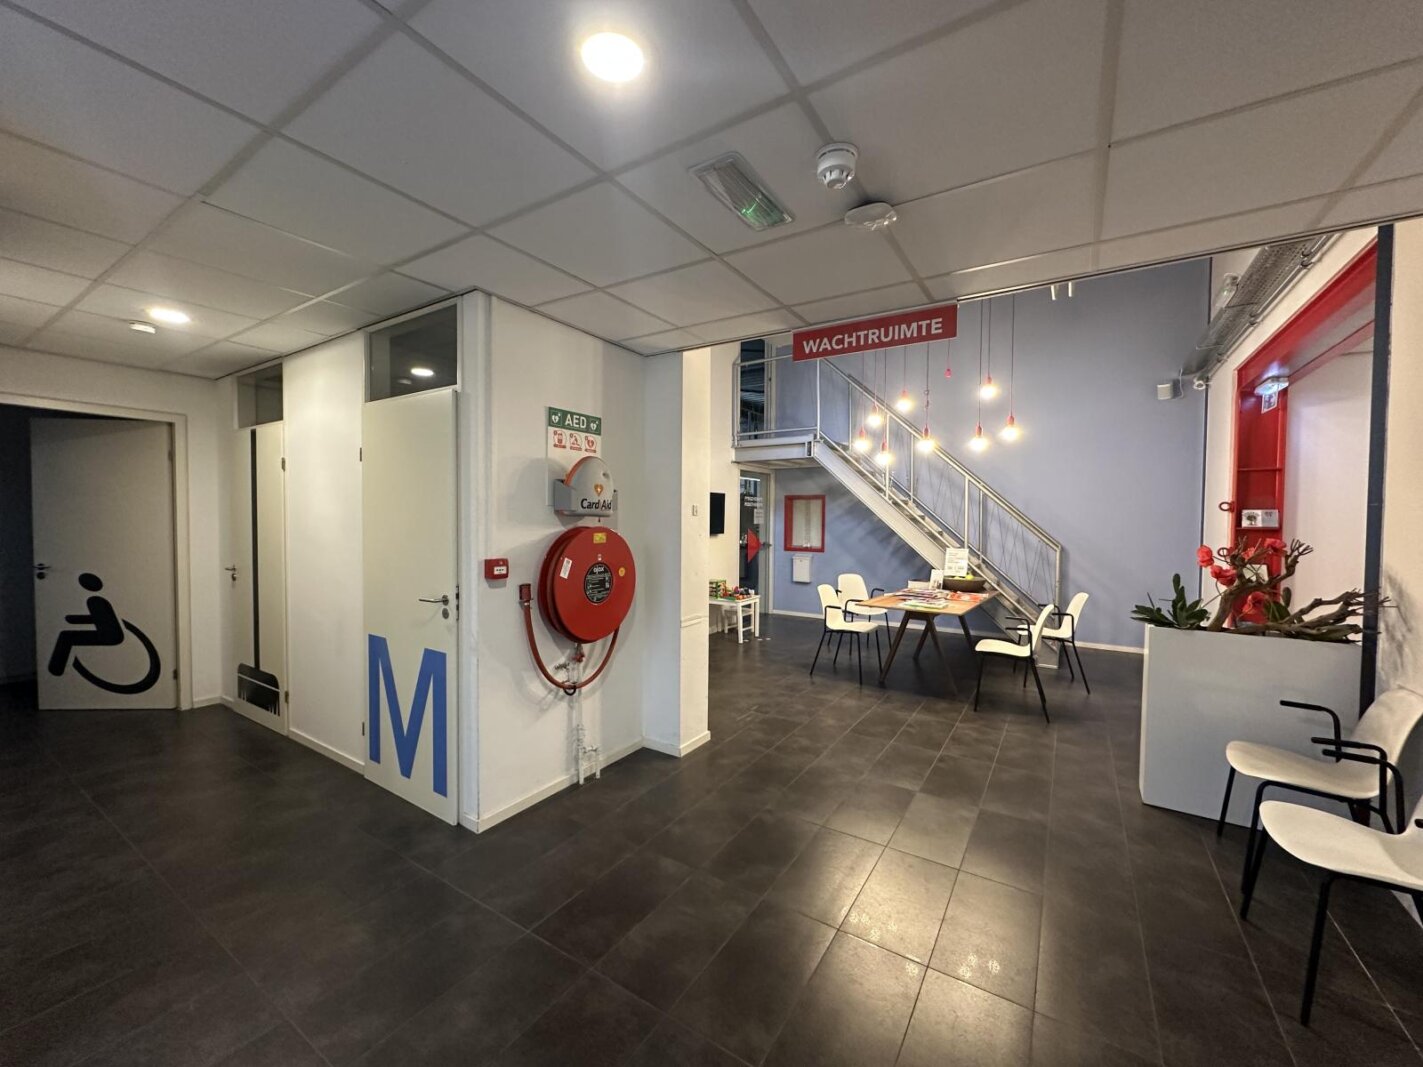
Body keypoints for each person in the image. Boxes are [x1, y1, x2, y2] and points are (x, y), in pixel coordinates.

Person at [47, 573, 125, 676]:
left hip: (108, 636)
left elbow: (98, 619)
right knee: (66, 636)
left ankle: (56, 669)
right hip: (110, 634)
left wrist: (72, 619)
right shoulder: (99, 600)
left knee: (66, 637)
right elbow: (97, 619)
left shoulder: (94, 601)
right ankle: (56, 669)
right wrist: (72, 619)